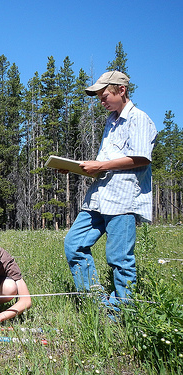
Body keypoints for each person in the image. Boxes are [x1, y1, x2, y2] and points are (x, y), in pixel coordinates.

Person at [63, 71, 157, 311]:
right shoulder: (111, 121)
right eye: (99, 98)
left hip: (123, 200)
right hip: (98, 198)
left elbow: (141, 158)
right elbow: (109, 163)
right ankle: (97, 305)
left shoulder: (139, 119)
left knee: (119, 260)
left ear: (121, 90)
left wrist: (101, 165)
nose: (101, 101)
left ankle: (123, 314)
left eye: (104, 95)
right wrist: (80, 168)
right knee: (74, 245)